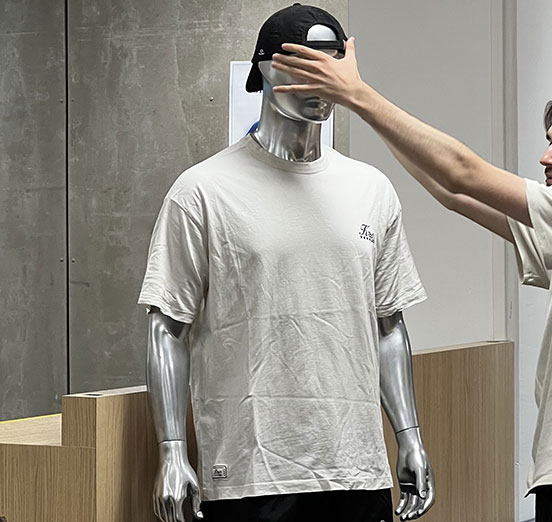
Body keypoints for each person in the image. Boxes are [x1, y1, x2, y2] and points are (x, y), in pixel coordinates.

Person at [271, 38, 552, 522]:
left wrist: (358, 94)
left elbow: (463, 173)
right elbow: (451, 192)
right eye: (550, 141)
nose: (546, 157)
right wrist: (365, 112)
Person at [138, 6, 434, 522]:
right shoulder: (203, 191)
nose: (325, 80)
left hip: (357, 470)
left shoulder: (371, 189)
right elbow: (167, 327)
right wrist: (172, 451)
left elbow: (389, 325)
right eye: (307, 64)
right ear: (267, 69)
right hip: (250, 473)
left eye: (334, 64)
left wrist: (409, 436)